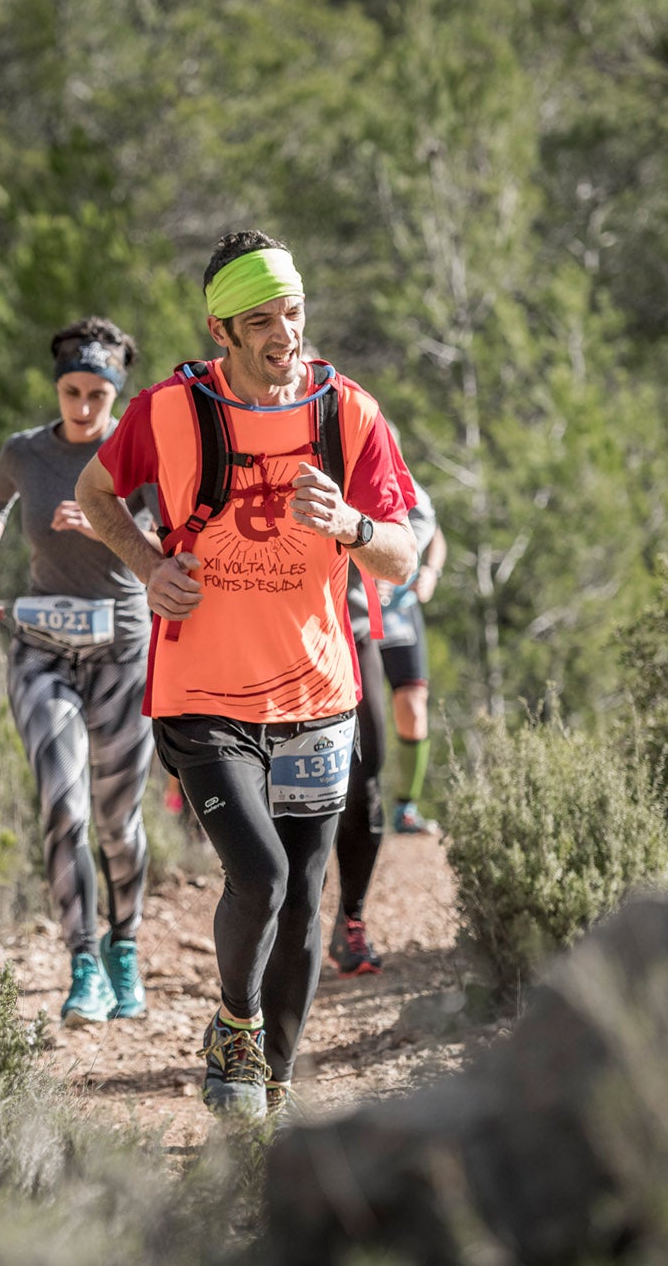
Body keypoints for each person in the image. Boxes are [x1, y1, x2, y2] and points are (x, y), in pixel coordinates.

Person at [76, 230, 421, 1120]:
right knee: (261, 874)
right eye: (260, 319)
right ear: (220, 328)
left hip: (316, 696)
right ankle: (234, 1021)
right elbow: (94, 492)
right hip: (201, 694)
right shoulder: (170, 412)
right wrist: (149, 566)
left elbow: (402, 551)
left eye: (293, 311)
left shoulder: (350, 414)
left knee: (306, 897)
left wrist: (348, 523)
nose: (283, 333)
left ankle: (273, 1084)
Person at [0, 317, 158, 1023]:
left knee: (116, 819)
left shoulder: (138, 454)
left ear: (116, 394)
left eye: (96, 395)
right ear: (58, 387)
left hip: (124, 650)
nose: (83, 406)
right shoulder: (25, 453)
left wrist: (111, 522)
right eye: (72, 391)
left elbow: (171, 538)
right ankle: (83, 960)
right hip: (43, 644)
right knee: (62, 806)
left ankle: (125, 945)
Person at [328, 503, 439, 979]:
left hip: (375, 622)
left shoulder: (375, 444)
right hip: (290, 633)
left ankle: (351, 915)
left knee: (365, 773)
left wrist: (426, 570)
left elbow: (428, 526)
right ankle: (278, 922)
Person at [380, 522, 447, 837]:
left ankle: (405, 810)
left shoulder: (407, 482)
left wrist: (431, 572)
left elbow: (434, 532)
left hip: (399, 613)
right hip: (351, 611)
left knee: (412, 707)